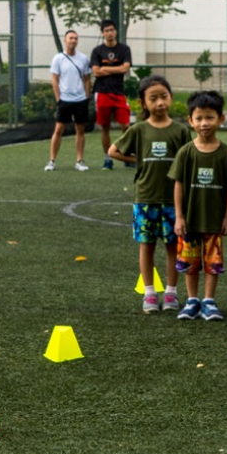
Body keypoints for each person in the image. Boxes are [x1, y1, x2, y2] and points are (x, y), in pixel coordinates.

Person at [108, 75, 192, 313]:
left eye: (163, 96)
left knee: (173, 246)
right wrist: (137, 160)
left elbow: (188, 162)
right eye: (153, 98)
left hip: (173, 201)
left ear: (171, 98)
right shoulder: (138, 130)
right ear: (143, 103)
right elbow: (113, 150)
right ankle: (149, 294)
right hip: (145, 198)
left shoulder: (181, 131)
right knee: (146, 246)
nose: (159, 103)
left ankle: (172, 294)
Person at [169, 91, 227, 321]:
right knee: (190, 263)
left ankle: (209, 301)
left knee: (213, 264)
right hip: (190, 221)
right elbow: (178, 184)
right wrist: (179, 216)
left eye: (209, 117)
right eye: (199, 118)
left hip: (214, 221)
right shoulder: (186, 152)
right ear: (190, 121)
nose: (204, 123)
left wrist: (226, 217)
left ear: (221, 119)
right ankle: (192, 300)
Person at [89, 19, 133, 171]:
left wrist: (105, 69)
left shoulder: (124, 49)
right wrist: (116, 67)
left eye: (111, 30)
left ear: (116, 31)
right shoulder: (97, 51)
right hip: (102, 93)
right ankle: (108, 159)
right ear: (103, 33)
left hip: (119, 93)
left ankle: (127, 155)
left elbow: (124, 69)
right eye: (106, 30)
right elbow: (95, 71)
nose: (109, 33)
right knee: (105, 127)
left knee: (126, 126)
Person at [45, 30, 92, 172]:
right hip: (64, 100)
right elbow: (55, 79)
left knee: (80, 130)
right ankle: (52, 161)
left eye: (76, 38)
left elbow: (87, 79)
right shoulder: (58, 58)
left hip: (80, 100)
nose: (73, 40)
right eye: (71, 38)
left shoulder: (83, 58)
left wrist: (87, 96)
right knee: (58, 129)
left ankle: (79, 161)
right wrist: (58, 98)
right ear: (65, 40)